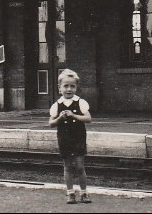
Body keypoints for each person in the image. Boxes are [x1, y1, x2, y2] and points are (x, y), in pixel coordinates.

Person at [49, 68, 92, 204]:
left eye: (72, 86)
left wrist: (74, 115)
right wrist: (59, 119)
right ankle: (70, 193)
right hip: (64, 138)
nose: (69, 89)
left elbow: (88, 118)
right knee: (67, 166)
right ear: (59, 87)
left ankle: (84, 193)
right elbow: (51, 123)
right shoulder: (57, 105)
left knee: (79, 166)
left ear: (76, 87)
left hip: (78, 137)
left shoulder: (81, 102)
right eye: (65, 86)